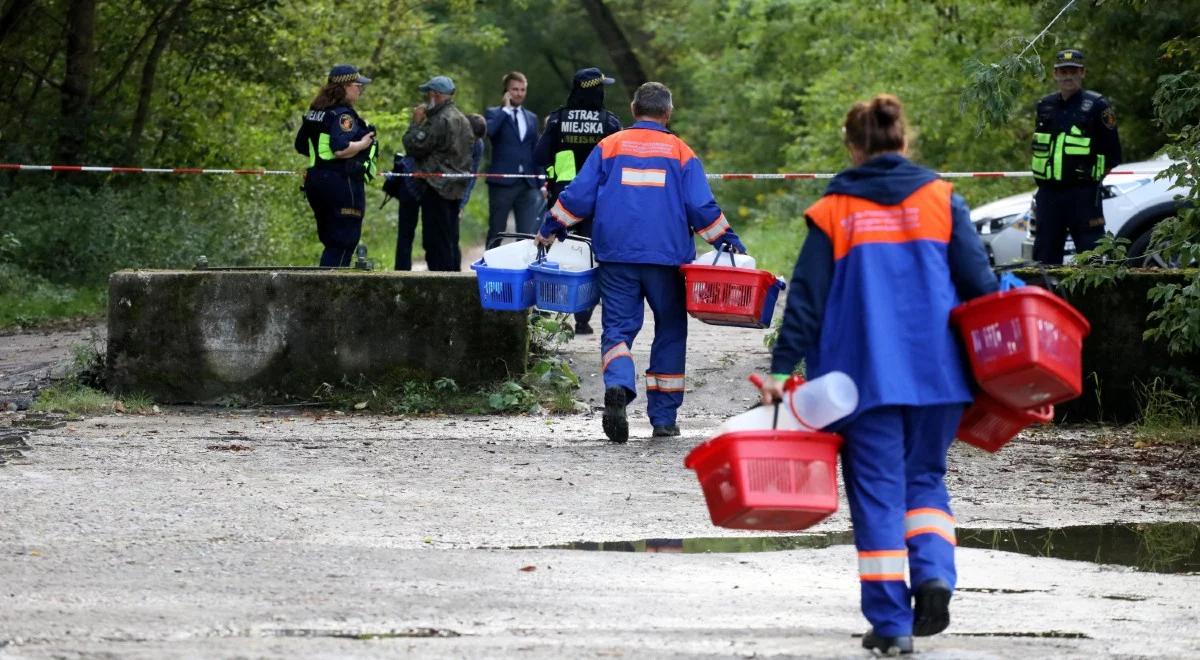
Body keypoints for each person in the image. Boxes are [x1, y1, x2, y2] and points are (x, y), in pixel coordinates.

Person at [760, 95, 998, 655]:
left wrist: (779, 367)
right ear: (903, 140)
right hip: (938, 374)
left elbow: (807, 300)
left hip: (859, 380)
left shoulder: (835, 209)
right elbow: (980, 287)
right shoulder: (942, 199)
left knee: (877, 497)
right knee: (925, 480)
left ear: (853, 147)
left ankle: (892, 627)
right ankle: (935, 574)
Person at [536, 82, 746, 443]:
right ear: (668, 113)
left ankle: (618, 384)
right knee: (669, 328)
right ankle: (663, 418)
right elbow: (701, 207)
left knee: (617, 329)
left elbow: (579, 195)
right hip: (667, 259)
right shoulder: (681, 152)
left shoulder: (610, 146)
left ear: (634, 110)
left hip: (617, 255)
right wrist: (728, 241)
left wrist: (551, 226)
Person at [533, 67, 623, 335]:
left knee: (550, 251)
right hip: (598, 202)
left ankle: (542, 314)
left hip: (562, 200)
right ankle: (583, 318)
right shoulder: (610, 123)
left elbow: (539, 156)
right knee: (591, 256)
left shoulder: (557, 119)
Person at [1030, 48, 1122, 265]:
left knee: (1092, 258)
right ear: (1055, 74)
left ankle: (1092, 299)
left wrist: (1089, 180)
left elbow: (1113, 154)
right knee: (1044, 258)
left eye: (1073, 71)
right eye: (1063, 72)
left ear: (1083, 73)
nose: (1068, 76)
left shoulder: (1098, 105)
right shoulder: (1045, 105)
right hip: (1048, 195)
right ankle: (1047, 298)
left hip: (1083, 196)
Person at [294, 64, 378, 267]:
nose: (360, 90)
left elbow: (301, 145)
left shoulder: (315, 112)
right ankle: (329, 294)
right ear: (346, 86)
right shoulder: (343, 115)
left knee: (331, 241)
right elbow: (340, 149)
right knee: (343, 242)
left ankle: (323, 290)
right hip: (341, 183)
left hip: (316, 182)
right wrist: (363, 144)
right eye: (358, 85)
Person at [402, 75, 474, 271]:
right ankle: (453, 282)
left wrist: (415, 123)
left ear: (435, 95)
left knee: (435, 242)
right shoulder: (462, 119)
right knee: (451, 239)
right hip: (456, 187)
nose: (426, 99)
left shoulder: (439, 120)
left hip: (436, 188)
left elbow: (414, 145)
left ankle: (439, 285)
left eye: (428, 94)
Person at [485, 72, 542, 246]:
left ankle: (522, 271)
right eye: (515, 89)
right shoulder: (494, 113)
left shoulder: (531, 118)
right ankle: (489, 268)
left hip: (528, 184)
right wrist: (505, 110)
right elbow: (490, 132)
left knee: (527, 235)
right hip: (502, 183)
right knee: (497, 230)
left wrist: (541, 183)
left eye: (522, 89)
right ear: (506, 91)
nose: (519, 93)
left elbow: (536, 151)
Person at [461, 113, 488, 214]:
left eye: (476, 139)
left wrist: (462, 204)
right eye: (471, 138)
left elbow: (471, 176)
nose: (473, 142)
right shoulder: (450, 136)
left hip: (458, 189)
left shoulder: (478, 145)